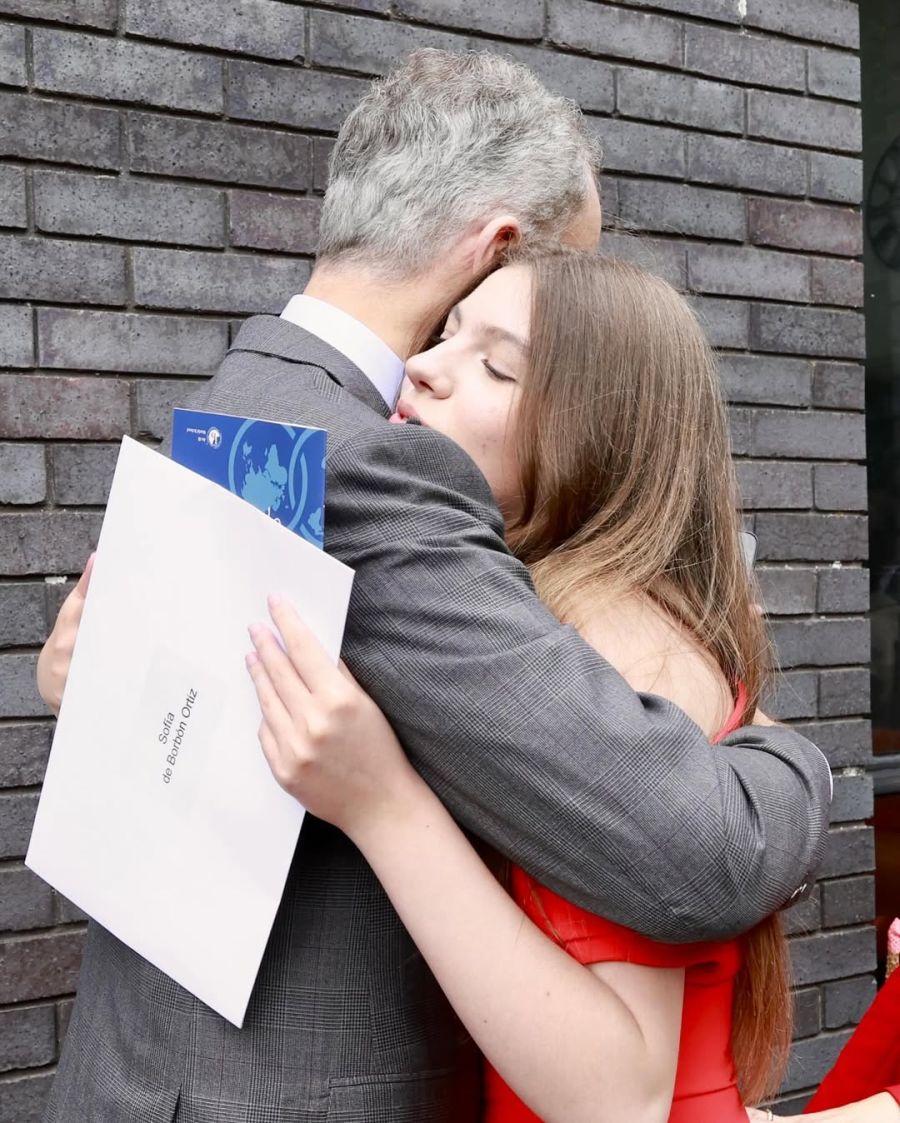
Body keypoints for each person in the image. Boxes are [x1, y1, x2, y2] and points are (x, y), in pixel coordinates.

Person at [36, 50, 830, 1122]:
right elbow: (696, 849)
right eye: (564, 275)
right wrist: (789, 752)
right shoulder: (376, 464)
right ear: (497, 253)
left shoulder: (247, 397)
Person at [242, 249, 897, 1123]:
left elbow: (617, 1098)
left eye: (496, 365)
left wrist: (383, 804)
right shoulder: (543, 608)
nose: (424, 367)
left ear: (599, 432)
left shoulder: (610, 633)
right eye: (445, 334)